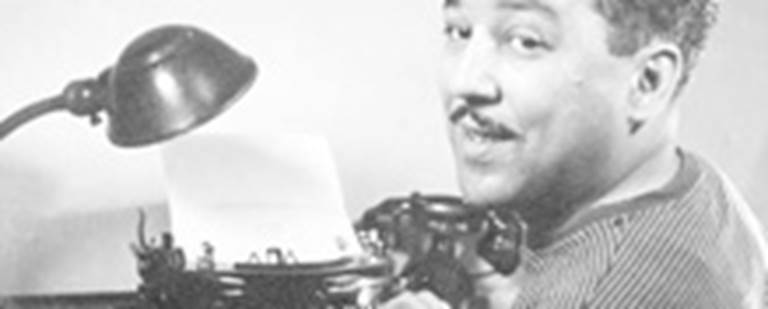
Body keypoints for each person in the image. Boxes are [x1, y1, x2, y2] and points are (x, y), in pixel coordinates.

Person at [332, 0, 768, 307]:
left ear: (646, 82)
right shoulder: (692, 186)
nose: (465, 81)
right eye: (459, 31)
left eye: (525, 41)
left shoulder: (599, 292)